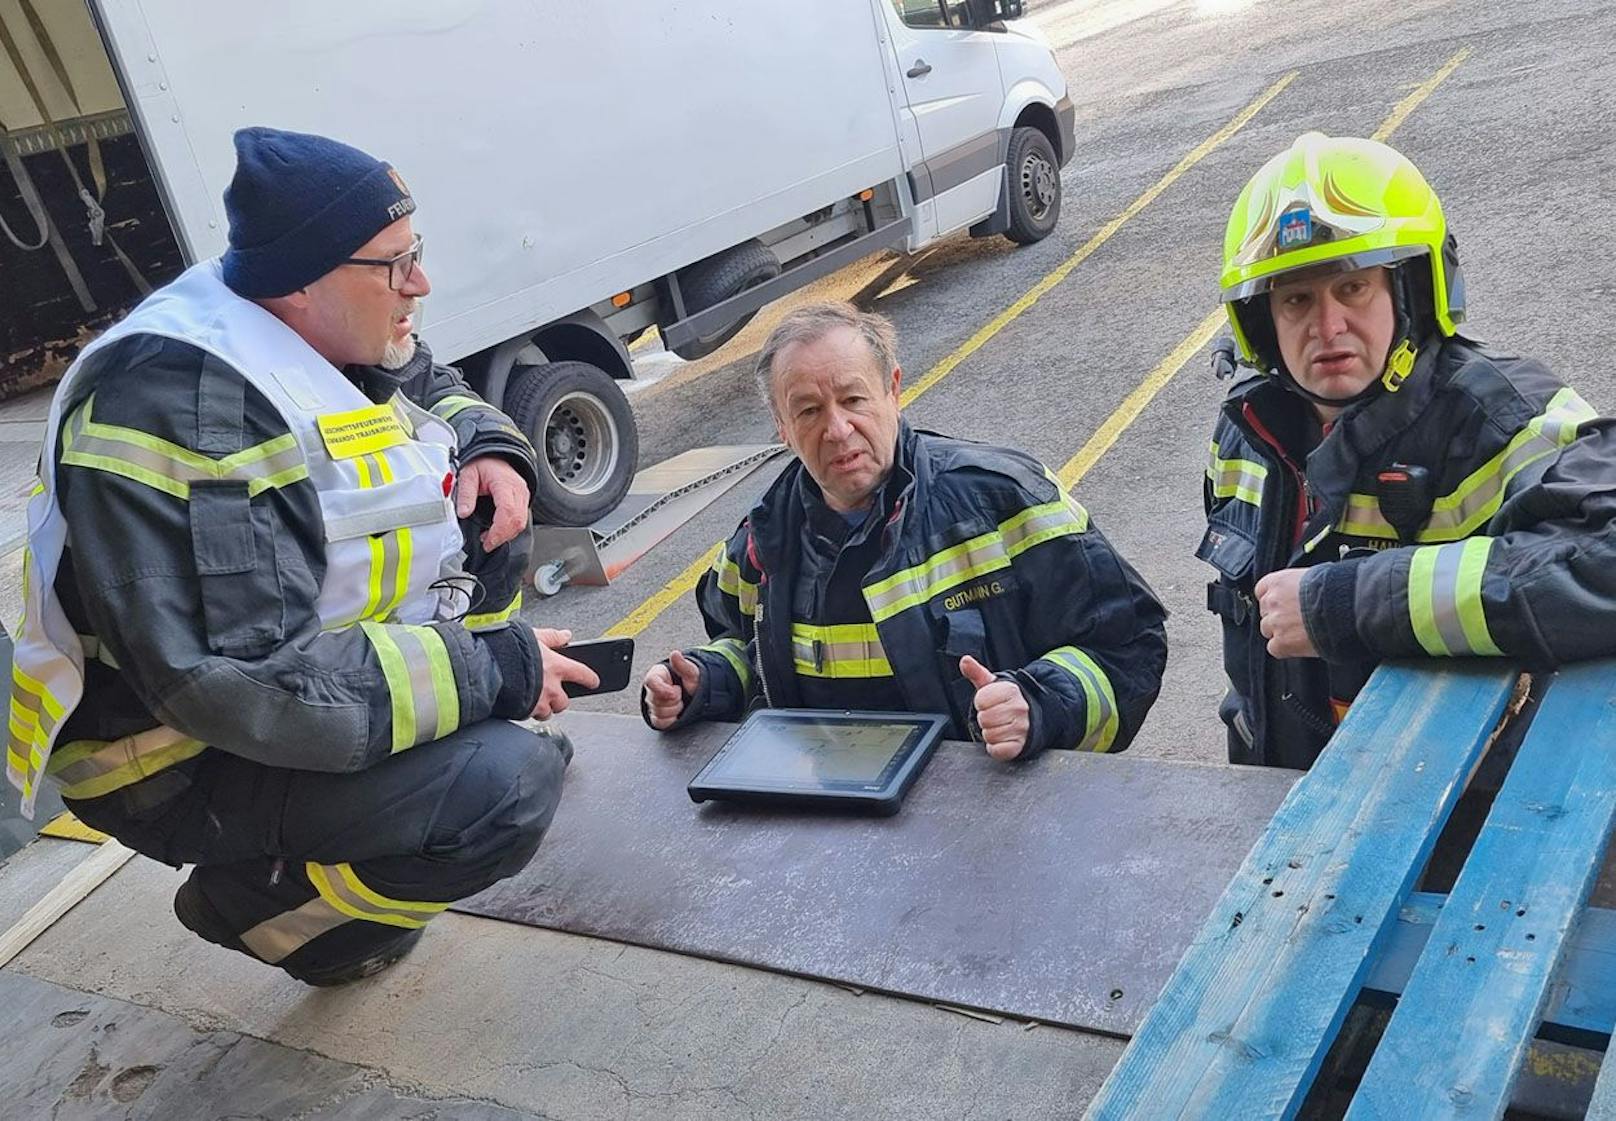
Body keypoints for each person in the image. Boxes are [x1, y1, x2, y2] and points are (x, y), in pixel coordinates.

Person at [3, 127, 599, 985]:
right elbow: (245, 681)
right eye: (395, 265)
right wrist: (494, 670)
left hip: (277, 683)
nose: (419, 283)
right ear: (304, 284)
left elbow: (421, 375)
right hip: (180, 758)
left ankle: (482, 733)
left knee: (486, 524)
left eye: (416, 253)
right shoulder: (187, 416)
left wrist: (489, 444)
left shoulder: (295, 310)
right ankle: (277, 918)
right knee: (504, 794)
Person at [1203, 131, 1616, 770]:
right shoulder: (1245, 431)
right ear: (1261, 321)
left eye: (1352, 288)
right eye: (1295, 300)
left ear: (1412, 290)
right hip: (1280, 789)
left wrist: (1348, 601)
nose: (1328, 327)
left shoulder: (1502, 416)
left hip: (1453, 810)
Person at [642, 302, 1167, 760]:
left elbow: (1128, 644)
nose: (838, 429)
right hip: (833, 817)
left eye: (853, 399)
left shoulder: (1005, 499)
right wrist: (702, 683)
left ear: (893, 390)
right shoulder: (760, 543)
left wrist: (1040, 705)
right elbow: (744, 651)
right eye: (808, 410)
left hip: (988, 821)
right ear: (782, 427)